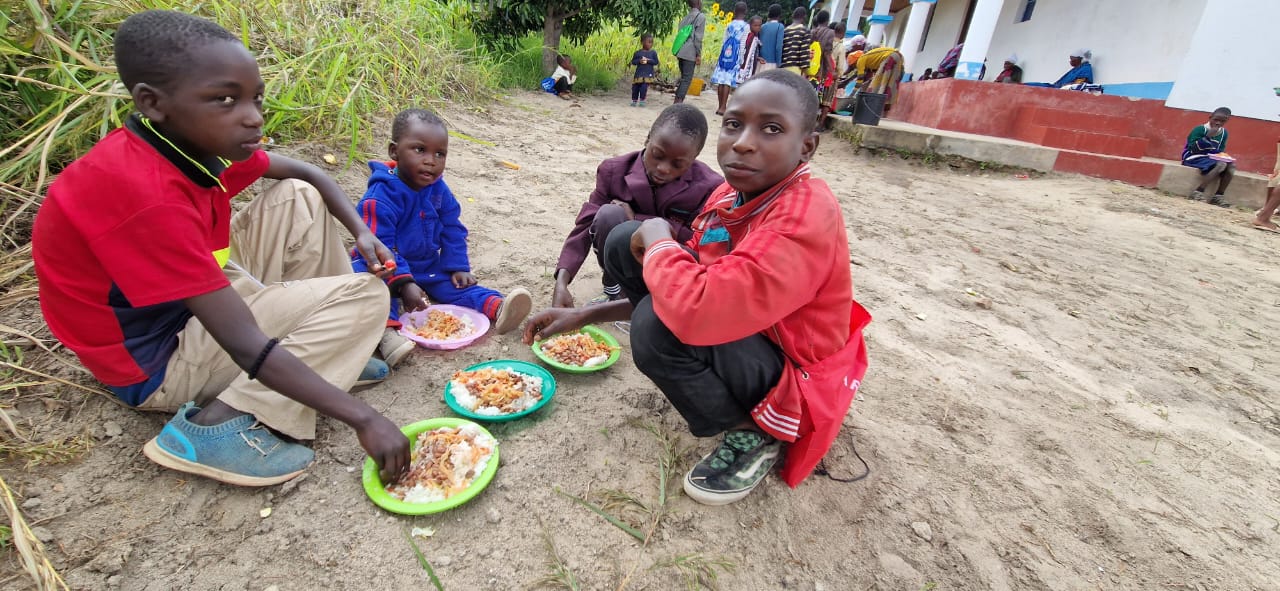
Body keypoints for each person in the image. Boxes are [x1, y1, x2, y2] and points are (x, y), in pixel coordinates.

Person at [31, 10, 411, 487]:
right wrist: (364, 419)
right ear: (152, 102)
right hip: (157, 360)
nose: (254, 117)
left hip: (182, 302)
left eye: (256, 97)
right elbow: (245, 344)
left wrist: (361, 232)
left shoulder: (184, 143)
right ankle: (218, 426)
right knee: (366, 295)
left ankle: (331, 347)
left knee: (298, 197)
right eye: (225, 99)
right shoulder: (145, 194)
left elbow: (309, 173)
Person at [524, 69, 871, 505]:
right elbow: (683, 277)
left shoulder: (804, 213)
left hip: (792, 367)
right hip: (745, 330)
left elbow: (694, 306)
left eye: (771, 129)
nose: (743, 142)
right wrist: (584, 315)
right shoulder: (727, 195)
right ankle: (719, 390)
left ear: (807, 147)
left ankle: (754, 433)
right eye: (734, 123)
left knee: (656, 322)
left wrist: (657, 237)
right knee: (622, 241)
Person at [351, 109, 533, 352]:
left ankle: (498, 307)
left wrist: (457, 266)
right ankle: (386, 334)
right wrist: (403, 283)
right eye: (419, 150)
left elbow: (452, 226)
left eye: (440, 154)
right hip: (382, 265)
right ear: (394, 151)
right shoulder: (380, 198)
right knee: (377, 291)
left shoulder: (438, 188)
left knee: (456, 286)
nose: (431, 160)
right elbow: (378, 246)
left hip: (426, 265)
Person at [551, 104, 723, 307]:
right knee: (608, 215)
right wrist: (562, 282)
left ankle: (653, 298)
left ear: (694, 159)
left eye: (677, 164)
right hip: (622, 258)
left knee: (631, 228)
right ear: (647, 139)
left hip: (671, 271)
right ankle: (614, 288)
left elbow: (696, 242)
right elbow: (585, 225)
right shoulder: (613, 171)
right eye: (657, 154)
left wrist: (637, 220)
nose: (663, 168)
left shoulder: (710, 187)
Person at [1181, 107, 1235, 207]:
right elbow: (1193, 149)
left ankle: (1218, 196)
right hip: (1192, 156)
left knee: (1231, 166)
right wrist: (1207, 137)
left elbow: (1220, 150)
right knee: (1221, 164)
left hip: (1209, 158)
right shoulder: (1200, 129)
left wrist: (1224, 156)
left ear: (1227, 121)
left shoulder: (1224, 133)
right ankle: (1198, 192)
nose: (1218, 123)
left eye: (1222, 121)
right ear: (1210, 117)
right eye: (1215, 120)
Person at [710, 2, 750, 116]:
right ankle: (724, 107)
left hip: (725, 53)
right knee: (727, 81)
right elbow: (743, 44)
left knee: (721, 80)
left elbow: (724, 40)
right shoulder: (746, 26)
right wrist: (741, 59)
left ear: (734, 11)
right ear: (745, 12)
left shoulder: (730, 24)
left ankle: (719, 106)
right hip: (735, 55)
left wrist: (722, 55)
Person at [854, 45, 905, 113]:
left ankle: (874, 108)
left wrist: (853, 93)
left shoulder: (860, 60)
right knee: (891, 83)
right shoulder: (873, 60)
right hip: (899, 56)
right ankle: (885, 106)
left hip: (890, 57)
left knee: (877, 85)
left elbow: (860, 79)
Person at [674, 0, 706, 104]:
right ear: (698, 2)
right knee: (687, 79)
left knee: (684, 78)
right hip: (690, 52)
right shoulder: (701, 17)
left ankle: (677, 100)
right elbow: (698, 38)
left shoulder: (685, 17)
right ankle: (678, 103)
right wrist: (698, 54)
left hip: (681, 50)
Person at [809, 11, 837, 126]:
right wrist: (832, 71)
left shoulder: (812, 31)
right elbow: (827, 53)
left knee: (809, 94)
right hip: (821, 70)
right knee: (816, 97)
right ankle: (811, 123)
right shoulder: (830, 32)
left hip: (810, 68)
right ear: (827, 20)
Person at [1027, 49, 1093, 88]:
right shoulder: (1077, 68)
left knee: (1034, 86)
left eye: (1072, 59)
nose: (1070, 61)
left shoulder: (1085, 69)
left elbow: (1078, 84)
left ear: (1080, 58)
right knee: (1029, 85)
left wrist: (1063, 86)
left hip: (1060, 90)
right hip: (1055, 87)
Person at [630, 34, 660, 107]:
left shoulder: (653, 53)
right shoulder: (637, 53)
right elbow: (633, 62)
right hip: (638, 74)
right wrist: (639, 61)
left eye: (651, 42)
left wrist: (648, 60)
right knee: (635, 88)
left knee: (643, 88)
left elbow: (656, 62)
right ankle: (634, 101)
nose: (650, 44)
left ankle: (642, 101)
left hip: (647, 74)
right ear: (642, 42)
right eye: (648, 42)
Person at [779, 6, 810, 74]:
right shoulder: (804, 30)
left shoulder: (785, 30)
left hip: (782, 66)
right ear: (804, 17)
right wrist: (805, 70)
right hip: (796, 68)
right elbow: (804, 52)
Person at [736, 16, 764, 85]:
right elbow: (745, 52)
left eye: (759, 25)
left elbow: (751, 52)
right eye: (755, 25)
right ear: (750, 25)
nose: (758, 27)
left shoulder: (755, 36)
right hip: (745, 67)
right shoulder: (750, 36)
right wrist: (742, 65)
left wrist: (757, 58)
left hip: (750, 65)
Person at [758, 4, 785, 72]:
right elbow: (778, 47)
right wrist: (779, 64)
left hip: (760, 62)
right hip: (772, 63)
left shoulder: (762, 26)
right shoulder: (780, 27)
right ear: (779, 15)